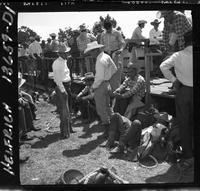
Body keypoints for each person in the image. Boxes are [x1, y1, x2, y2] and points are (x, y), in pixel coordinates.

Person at [160, 31, 193, 169]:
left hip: (184, 91)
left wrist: (174, 80)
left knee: (184, 125)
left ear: (184, 42)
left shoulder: (178, 55)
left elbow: (163, 66)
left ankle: (188, 156)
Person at [84, 41, 117, 138]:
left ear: (95, 50)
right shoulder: (106, 56)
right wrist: (108, 77)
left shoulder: (99, 61)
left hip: (100, 85)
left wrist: (94, 87)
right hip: (107, 84)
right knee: (108, 107)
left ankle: (108, 132)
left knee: (101, 110)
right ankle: (114, 128)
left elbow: (99, 77)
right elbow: (114, 68)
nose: (90, 54)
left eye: (91, 52)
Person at [52, 43, 74, 139]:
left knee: (68, 108)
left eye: (67, 53)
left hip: (67, 85)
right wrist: (62, 90)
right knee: (64, 110)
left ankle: (69, 128)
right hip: (62, 87)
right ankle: (65, 132)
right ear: (60, 54)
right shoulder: (57, 63)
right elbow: (57, 79)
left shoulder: (64, 61)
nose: (67, 54)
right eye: (65, 53)